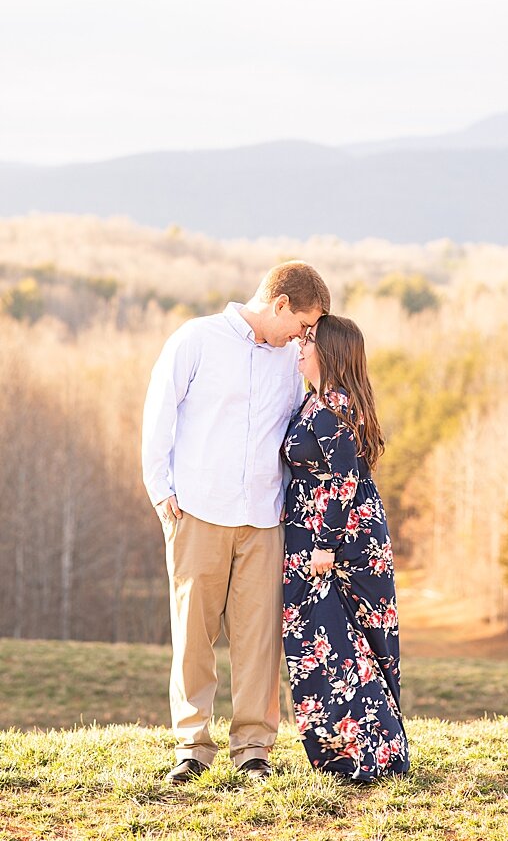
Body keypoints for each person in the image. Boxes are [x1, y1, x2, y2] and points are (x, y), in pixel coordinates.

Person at [142, 261, 330, 783]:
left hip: (265, 518)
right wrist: (161, 492)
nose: (304, 336)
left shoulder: (289, 360)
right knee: (194, 636)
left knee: (258, 639)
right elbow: (159, 413)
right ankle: (192, 745)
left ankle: (253, 749)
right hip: (196, 511)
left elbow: (299, 431)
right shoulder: (196, 339)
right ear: (280, 305)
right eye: (302, 324)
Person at [281, 313, 408, 781]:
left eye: (309, 340)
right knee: (342, 649)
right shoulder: (319, 403)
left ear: (329, 353)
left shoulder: (333, 405)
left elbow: (345, 478)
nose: (300, 346)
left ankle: (371, 757)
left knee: (340, 650)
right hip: (327, 544)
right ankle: (356, 755)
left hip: (335, 549)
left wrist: (324, 546)